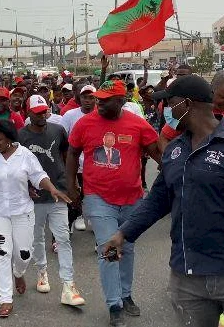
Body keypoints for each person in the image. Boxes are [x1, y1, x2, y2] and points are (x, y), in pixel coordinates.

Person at [104, 75, 224, 327]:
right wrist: (124, 233)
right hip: (187, 278)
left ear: (186, 104)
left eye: (169, 102)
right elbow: (158, 200)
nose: (165, 108)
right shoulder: (176, 150)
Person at [65, 80, 161, 326]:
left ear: (121, 101)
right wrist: (71, 185)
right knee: (108, 248)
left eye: (106, 100)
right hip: (98, 197)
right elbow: (72, 153)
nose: (99, 102)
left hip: (132, 198)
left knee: (127, 248)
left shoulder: (137, 123)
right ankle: (114, 305)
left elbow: (157, 152)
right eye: (98, 98)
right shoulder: (84, 123)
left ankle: (126, 294)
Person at [0, 120, 71, 318]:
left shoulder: (25, 155)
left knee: (24, 254)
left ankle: (19, 273)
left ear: (10, 138)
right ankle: (5, 298)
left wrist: (52, 188)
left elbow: (39, 176)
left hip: (22, 211)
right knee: (0, 253)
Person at [19, 95, 85, 305]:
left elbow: (68, 157)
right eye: (37, 112)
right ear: (28, 112)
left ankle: (68, 284)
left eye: (44, 111)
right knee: (37, 237)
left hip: (58, 192)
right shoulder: (21, 136)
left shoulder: (58, 130)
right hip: (35, 197)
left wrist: (71, 183)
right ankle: (42, 272)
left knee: (63, 238)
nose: (42, 115)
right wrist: (26, 188)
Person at [61, 83, 97, 233]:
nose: (87, 100)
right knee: (72, 197)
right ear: (79, 98)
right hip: (74, 164)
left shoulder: (100, 116)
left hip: (94, 166)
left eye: (90, 97)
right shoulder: (70, 115)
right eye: (84, 97)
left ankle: (93, 226)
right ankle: (68, 226)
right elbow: (62, 140)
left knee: (92, 199)